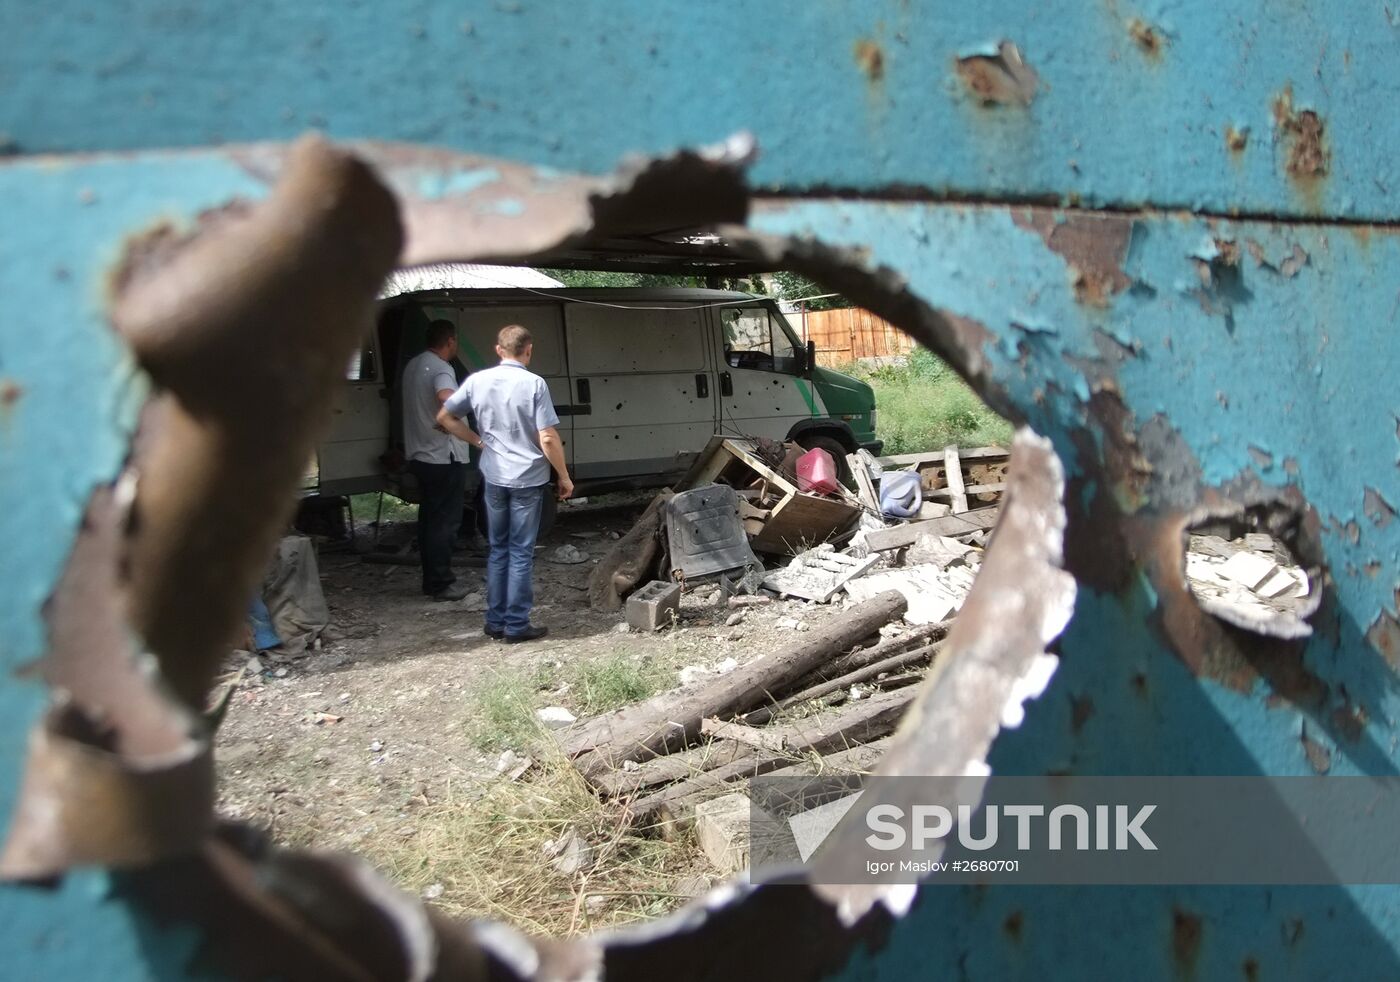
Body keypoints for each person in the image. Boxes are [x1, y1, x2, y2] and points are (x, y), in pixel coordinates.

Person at [437, 324, 573, 643]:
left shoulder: (477, 381)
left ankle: (495, 621)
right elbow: (547, 437)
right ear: (529, 350)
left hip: (494, 477)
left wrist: (477, 440)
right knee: (521, 552)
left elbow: (444, 417)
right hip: (528, 478)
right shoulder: (534, 384)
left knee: (498, 549)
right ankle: (516, 624)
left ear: (498, 350)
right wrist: (564, 476)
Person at [402, 320, 472, 601]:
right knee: (445, 523)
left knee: (429, 522)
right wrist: (453, 417)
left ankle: (431, 581)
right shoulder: (442, 368)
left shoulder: (413, 365)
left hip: (420, 455)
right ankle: (442, 583)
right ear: (450, 341)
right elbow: (446, 397)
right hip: (443, 456)